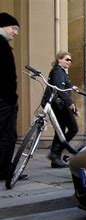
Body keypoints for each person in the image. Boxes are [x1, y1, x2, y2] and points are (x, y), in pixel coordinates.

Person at [0, 13, 27, 181]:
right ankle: (4, 170)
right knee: (7, 135)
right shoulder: (1, 44)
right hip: (4, 100)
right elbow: (6, 76)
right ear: (3, 26)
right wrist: (11, 98)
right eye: (14, 28)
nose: (15, 33)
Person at [45, 51, 79, 168]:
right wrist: (70, 103)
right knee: (73, 129)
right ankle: (55, 154)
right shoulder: (58, 71)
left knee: (60, 131)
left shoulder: (63, 72)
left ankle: (55, 158)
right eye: (67, 59)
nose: (69, 62)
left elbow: (66, 91)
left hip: (61, 105)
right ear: (59, 59)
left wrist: (74, 107)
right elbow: (59, 88)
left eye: (70, 60)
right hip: (59, 105)